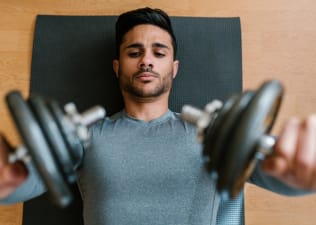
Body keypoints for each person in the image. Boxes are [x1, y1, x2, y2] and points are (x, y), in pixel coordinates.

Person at [0, 7, 316, 225]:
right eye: (134, 52)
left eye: (159, 53)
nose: (146, 61)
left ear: (173, 68)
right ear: (117, 66)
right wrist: (7, 183)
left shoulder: (212, 134)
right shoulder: (86, 136)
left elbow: (279, 173)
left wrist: (303, 177)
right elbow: (29, 179)